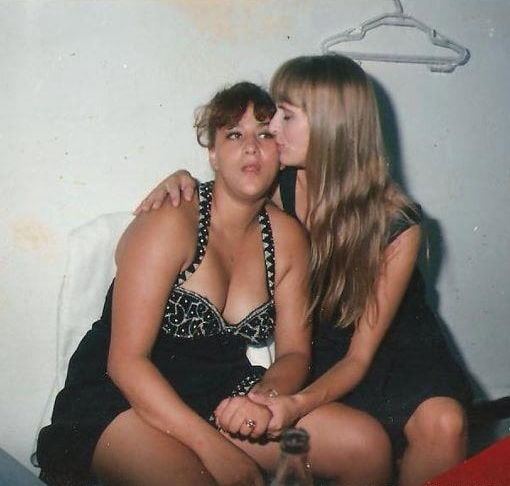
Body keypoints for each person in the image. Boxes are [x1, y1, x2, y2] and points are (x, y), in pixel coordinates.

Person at [135, 54, 472, 486]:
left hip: (391, 346)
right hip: (323, 343)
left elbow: (359, 358)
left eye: (286, 116)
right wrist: (181, 179)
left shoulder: (397, 221)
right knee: (360, 444)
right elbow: (226, 190)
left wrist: (295, 405)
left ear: (331, 126)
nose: (273, 127)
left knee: (445, 423)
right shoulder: (281, 183)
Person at [36, 81, 391, 486]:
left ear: (281, 151)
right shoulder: (170, 221)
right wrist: (215, 448)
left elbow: (295, 352)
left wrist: (263, 399)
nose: (251, 148)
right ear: (213, 153)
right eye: (235, 135)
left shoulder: (289, 238)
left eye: (265, 135)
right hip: (124, 398)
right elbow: (126, 363)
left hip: (221, 393)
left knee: (366, 445)